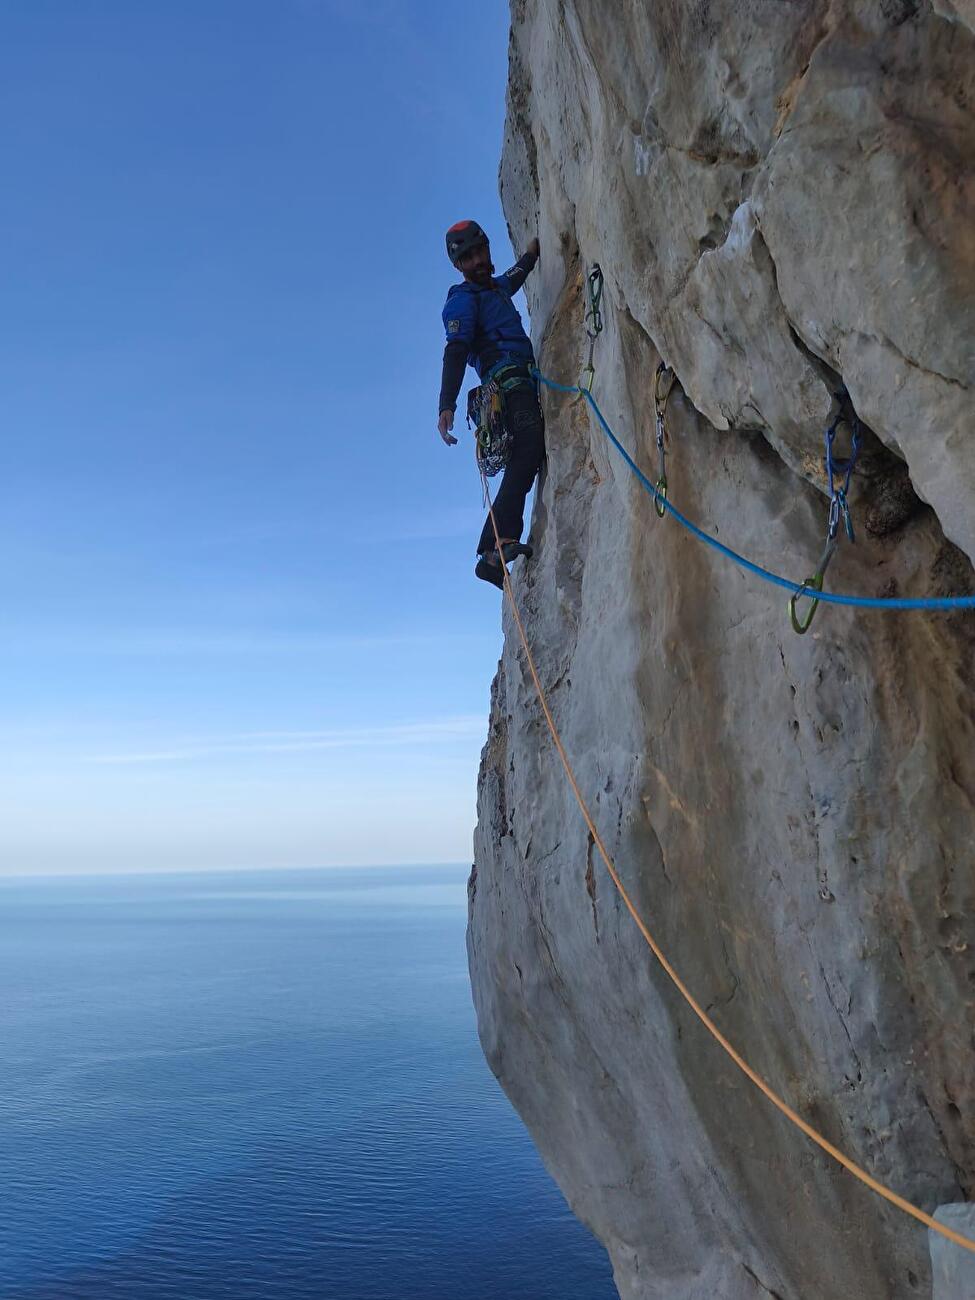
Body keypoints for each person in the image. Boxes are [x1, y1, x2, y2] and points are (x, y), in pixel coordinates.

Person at [437, 220, 545, 589]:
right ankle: (492, 548)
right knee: (528, 446)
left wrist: (531, 255)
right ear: (458, 266)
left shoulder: (494, 288)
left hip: (521, 377)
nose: (478, 260)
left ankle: (493, 549)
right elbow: (455, 350)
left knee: (528, 451)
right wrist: (446, 405)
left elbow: (513, 276)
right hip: (507, 382)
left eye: (480, 251)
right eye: (468, 258)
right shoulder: (462, 300)